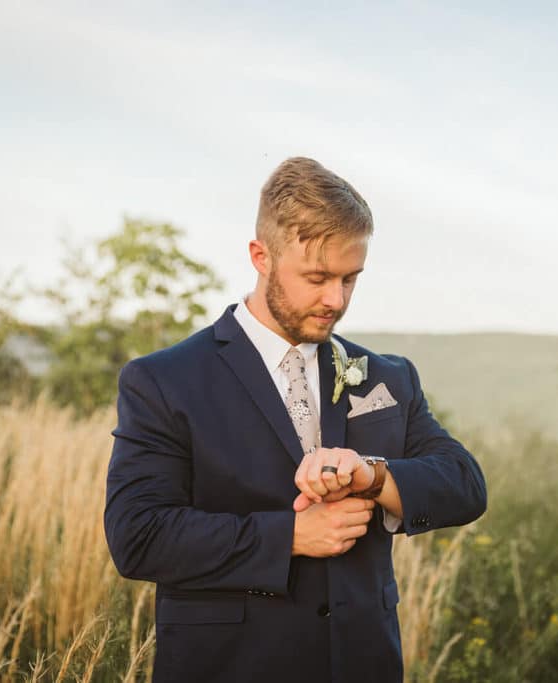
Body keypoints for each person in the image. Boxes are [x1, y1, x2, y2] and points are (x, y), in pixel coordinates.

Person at [104, 157, 487, 682]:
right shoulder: (164, 380)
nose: (336, 300)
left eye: (351, 278)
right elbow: (139, 536)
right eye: (317, 277)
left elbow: (465, 484)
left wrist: (372, 475)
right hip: (231, 667)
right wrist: (289, 536)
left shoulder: (387, 377)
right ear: (261, 256)